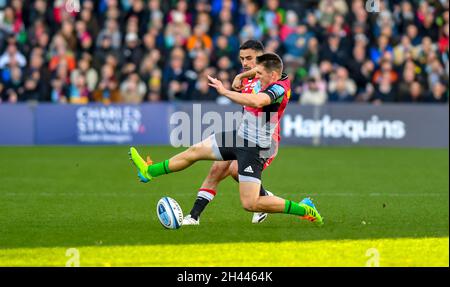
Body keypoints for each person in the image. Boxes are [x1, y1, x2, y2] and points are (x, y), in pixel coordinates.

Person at [129, 52, 324, 225]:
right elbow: (259, 70)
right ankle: (149, 171)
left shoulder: (279, 89)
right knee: (195, 151)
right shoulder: (273, 72)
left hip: (254, 147)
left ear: (273, 76)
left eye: (260, 75)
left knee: (251, 203)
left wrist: (224, 92)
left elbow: (258, 100)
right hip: (239, 136)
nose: (256, 77)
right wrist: (241, 75)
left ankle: (304, 209)